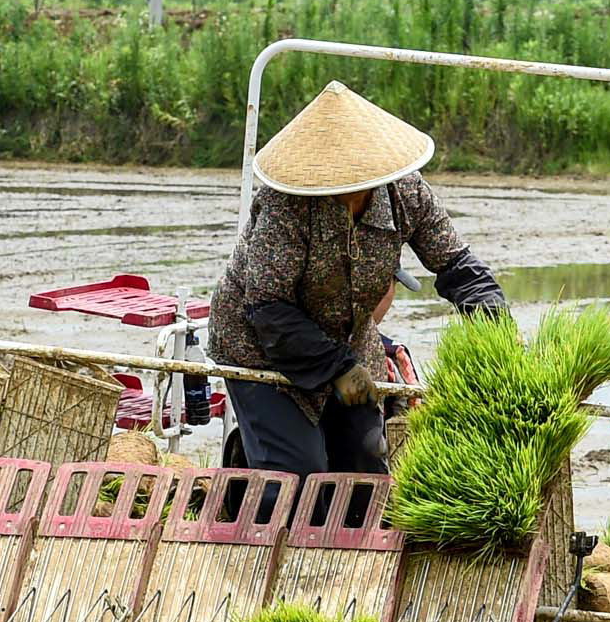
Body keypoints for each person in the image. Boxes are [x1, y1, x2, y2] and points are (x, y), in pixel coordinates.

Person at [209, 81, 508, 474]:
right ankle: (246, 472)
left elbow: (455, 262)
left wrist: (496, 324)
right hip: (262, 347)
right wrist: (339, 370)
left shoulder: (406, 194)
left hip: (349, 341)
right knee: (298, 472)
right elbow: (267, 308)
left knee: (364, 461)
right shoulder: (286, 204)